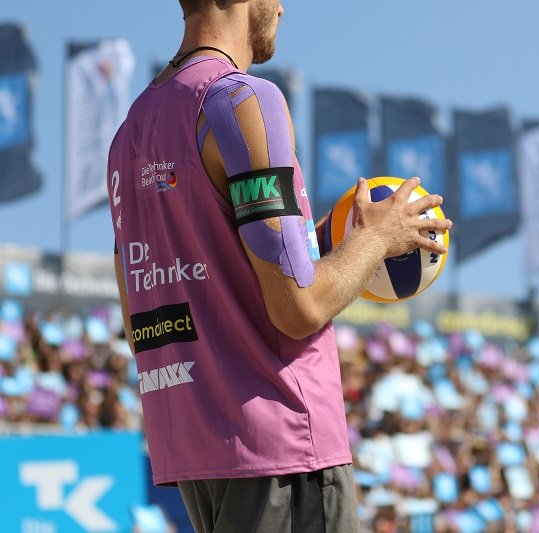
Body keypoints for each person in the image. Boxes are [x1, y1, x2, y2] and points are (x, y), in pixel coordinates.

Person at [106, 0, 451, 531]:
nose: (284, 8)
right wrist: (379, 237)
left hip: (197, 451)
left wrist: (328, 244)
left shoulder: (130, 133)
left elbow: (143, 318)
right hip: (281, 446)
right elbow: (298, 308)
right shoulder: (244, 100)